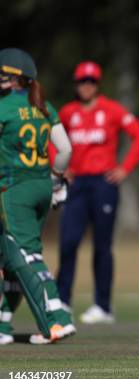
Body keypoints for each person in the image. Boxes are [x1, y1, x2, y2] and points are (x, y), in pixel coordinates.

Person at [54, 61, 139, 324]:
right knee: (68, 242)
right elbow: (49, 139)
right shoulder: (67, 112)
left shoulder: (111, 109)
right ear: (76, 83)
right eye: (82, 81)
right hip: (76, 184)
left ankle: (103, 306)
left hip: (103, 184)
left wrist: (125, 168)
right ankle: (61, 302)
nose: (86, 86)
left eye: (91, 81)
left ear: (97, 84)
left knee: (102, 246)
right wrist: (60, 168)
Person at [0, 48, 75, 344]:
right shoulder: (43, 105)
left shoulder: (4, 107)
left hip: (14, 189)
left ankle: (59, 318)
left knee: (26, 256)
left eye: (5, 73)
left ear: (19, 78)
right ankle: (3, 325)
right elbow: (65, 150)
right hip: (43, 186)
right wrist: (57, 181)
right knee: (11, 259)